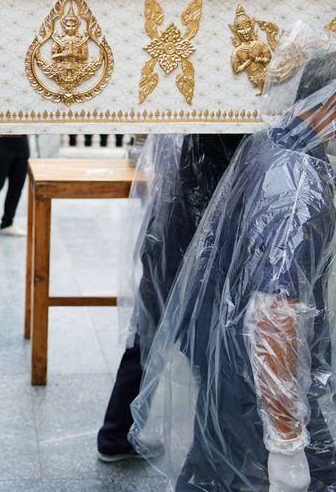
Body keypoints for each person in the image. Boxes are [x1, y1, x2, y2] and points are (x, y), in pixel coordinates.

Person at [129, 24, 336, 492]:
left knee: (212, 472)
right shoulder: (301, 183)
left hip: (226, 360)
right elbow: (273, 314)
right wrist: (286, 441)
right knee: (286, 476)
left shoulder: (271, 141)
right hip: (254, 381)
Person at [97, 133, 242, 462]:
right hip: (192, 249)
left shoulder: (192, 126)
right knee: (207, 355)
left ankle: (115, 434)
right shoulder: (226, 129)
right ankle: (214, 455)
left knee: (147, 343)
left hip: (165, 240)